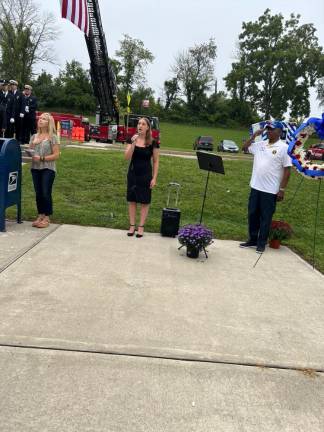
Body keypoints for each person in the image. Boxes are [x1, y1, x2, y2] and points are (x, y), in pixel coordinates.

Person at [240, 120, 292, 253]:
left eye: (272, 129)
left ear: (279, 132)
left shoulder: (284, 148)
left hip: (270, 190)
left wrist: (282, 190)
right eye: (267, 129)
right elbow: (244, 148)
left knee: (265, 217)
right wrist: (253, 136)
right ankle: (252, 239)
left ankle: (261, 243)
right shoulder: (260, 144)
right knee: (252, 214)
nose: (268, 131)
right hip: (255, 186)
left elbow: (287, 170)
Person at [125, 117, 160, 238]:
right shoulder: (131, 139)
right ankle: (132, 225)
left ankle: (141, 227)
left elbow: (155, 161)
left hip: (145, 175)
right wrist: (133, 143)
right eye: (139, 123)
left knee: (145, 201)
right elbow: (127, 157)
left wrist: (154, 178)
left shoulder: (153, 142)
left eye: (143, 124)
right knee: (132, 200)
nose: (140, 125)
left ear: (148, 127)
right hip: (133, 174)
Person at [28, 112, 60, 228]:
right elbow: (29, 153)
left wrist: (42, 158)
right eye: (39, 118)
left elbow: (56, 155)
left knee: (46, 192)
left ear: (49, 123)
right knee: (38, 193)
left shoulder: (53, 137)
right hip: (35, 168)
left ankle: (47, 217)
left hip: (48, 168)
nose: (40, 120)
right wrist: (33, 144)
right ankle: (40, 215)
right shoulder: (34, 136)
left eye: (43, 119)